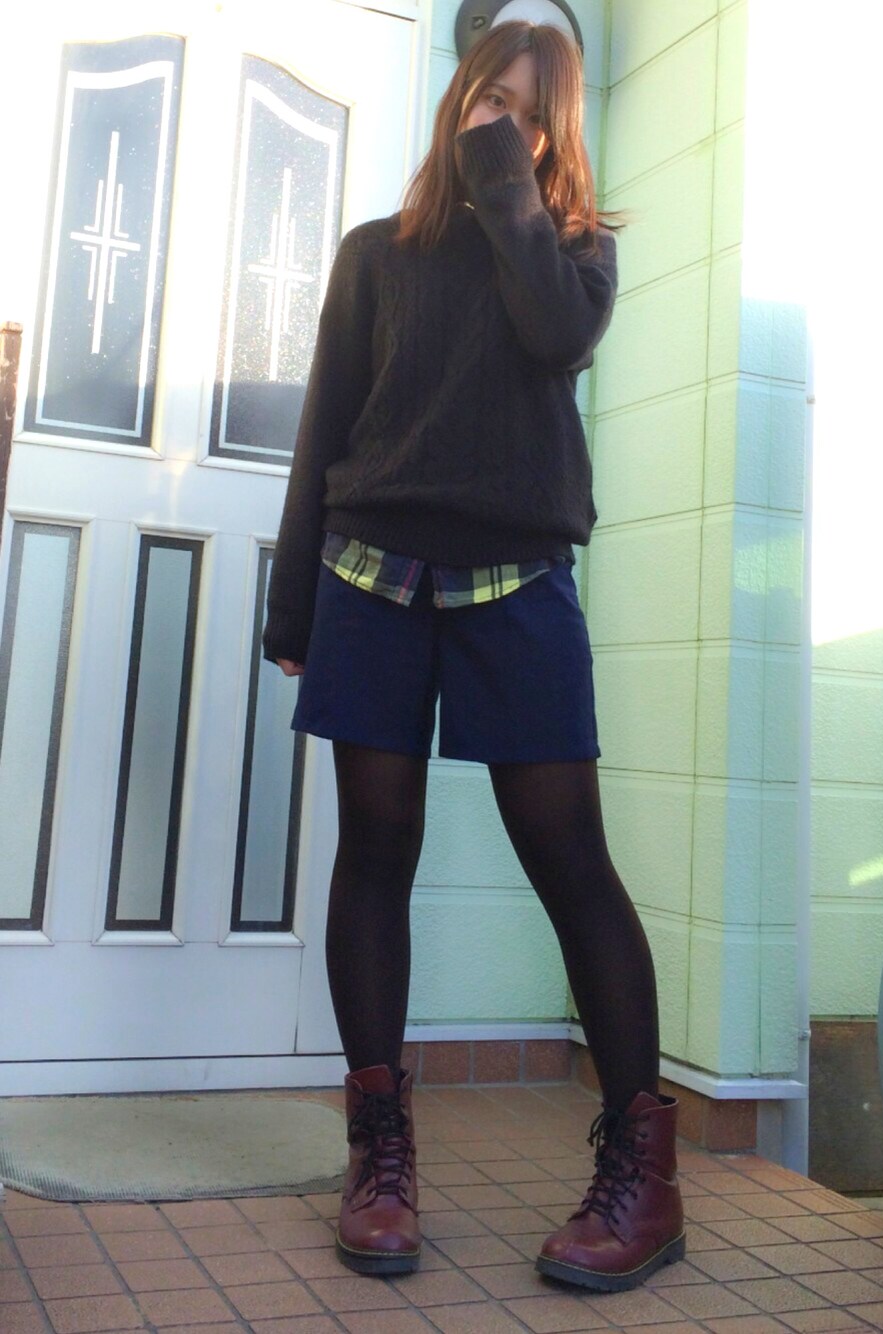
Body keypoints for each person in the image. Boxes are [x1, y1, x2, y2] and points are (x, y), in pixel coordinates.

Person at [262, 19, 684, 1294]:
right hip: (371, 575)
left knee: (569, 857)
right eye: (487, 97)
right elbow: (326, 428)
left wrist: (511, 192)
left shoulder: (577, 254)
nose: (503, 122)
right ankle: (379, 1159)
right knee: (375, 848)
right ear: (455, 99)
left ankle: (645, 1178)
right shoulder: (373, 255)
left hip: (517, 579)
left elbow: (555, 337)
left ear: (556, 136)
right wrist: (293, 609)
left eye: (530, 111)